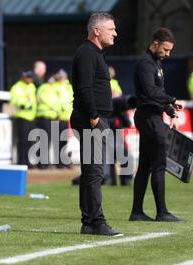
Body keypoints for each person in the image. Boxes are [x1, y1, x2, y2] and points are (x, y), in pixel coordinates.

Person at [70, 12, 122, 236]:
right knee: (94, 172)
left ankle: (88, 223)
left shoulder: (95, 54)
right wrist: (94, 115)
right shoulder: (86, 53)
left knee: (91, 171)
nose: (115, 33)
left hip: (97, 118)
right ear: (96, 31)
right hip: (91, 119)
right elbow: (84, 88)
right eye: (111, 29)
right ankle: (97, 221)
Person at [129, 27, 185, 223]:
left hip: (153, 116)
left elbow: (157, 95)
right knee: (159, 165)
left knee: (145, 165)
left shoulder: (156, 63)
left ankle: (136, 212)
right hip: (148, 118)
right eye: (166, 49)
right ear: (155, 44)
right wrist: (172, 99)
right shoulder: (145, 64)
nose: (168, 54)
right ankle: (162, 212)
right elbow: (151, 92)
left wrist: (169, 110)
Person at [10, 71, 37, 167]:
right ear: (23, 77)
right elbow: (14, 100)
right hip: (22, 116)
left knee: (31, 140)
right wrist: (24, 103)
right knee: (23, 141)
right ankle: (22, 161)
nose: (30, 79)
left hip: (31, 116)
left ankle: (28, 161)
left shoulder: (32, 86)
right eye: (28, 77)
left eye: (31, 77)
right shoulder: (17, 87)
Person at [35, 74, 59, 169]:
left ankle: (45, 163)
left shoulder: (52, 89)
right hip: (44, 117)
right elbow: (48, 101)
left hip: (51, 117)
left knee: (47, 140)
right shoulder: (44, 88)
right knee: (44, 140)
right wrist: (56, 109)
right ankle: (43, 163)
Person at [54, 69, 73, 169]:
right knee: (59, 140)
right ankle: (60, 162)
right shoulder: (55, 87)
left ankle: (64, 161)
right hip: (59, 117)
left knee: (64, 140)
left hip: (66, 117)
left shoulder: (68, 87)